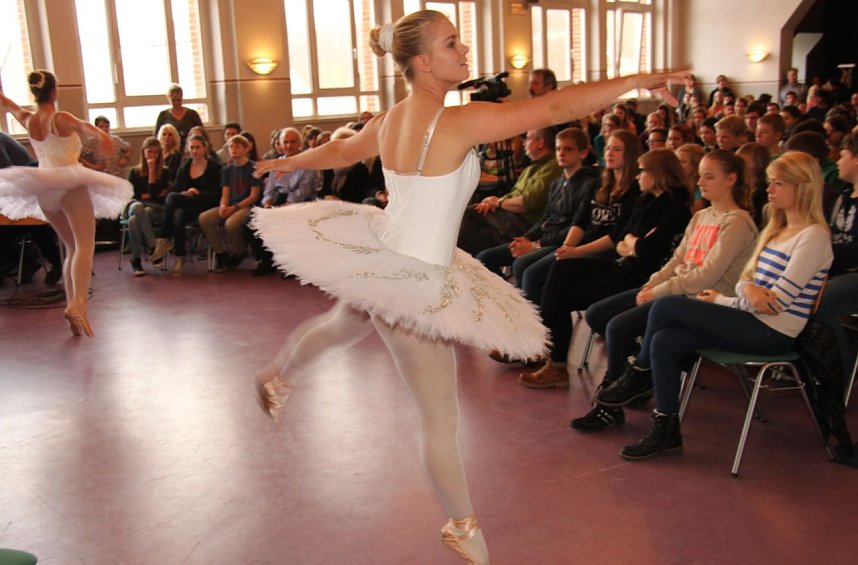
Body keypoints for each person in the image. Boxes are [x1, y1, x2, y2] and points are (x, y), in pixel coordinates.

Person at [250, 10, 683, 564]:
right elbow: (553, 108)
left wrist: (286, 160)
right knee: (439, 417)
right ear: (424, 62)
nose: (464, 50)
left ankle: (277, 376)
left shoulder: (390, 120)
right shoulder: (457, 121)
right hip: (413, 277)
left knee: (344, 323)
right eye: (451, 43)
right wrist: (632, 82)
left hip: (384, 255)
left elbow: (338, 152)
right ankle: (462, 526)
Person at [600, 151, 832, 461]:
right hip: (747, 316)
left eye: (778, 183)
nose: (769, 190)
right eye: (770, 182)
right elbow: (745, 280)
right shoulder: (776, 230)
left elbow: (776, 304)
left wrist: (726, 299)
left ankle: (639, 372)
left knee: (667, 306)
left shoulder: (813, 236)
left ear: (801, 187)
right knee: (664, 340)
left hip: (774, 332)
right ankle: (666, 428)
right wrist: (747, 289)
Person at [572, 150, 758, 433]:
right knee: (598, 314)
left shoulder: (737, 223)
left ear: (731, 180)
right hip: (675, 292)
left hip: (699, 301)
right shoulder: (702, 216)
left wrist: (659, 291)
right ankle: (638, 375)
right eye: (700, 176)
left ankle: (613, 403)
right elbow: (678, 259)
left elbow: (705, 276)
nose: (701, 182)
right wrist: (653, 283)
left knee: (619, 328)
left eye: (710, 177)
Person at [520, 148, 692, 388]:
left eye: (642, 171)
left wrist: (633, 243)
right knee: (561, 269)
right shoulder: (645, 200)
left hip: (642, 274)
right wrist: (633, 243)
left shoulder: (676, 208)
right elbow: (622, 239)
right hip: (624, 263)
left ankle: (551, 357)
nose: (637, 176)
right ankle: (549, 355)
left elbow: (645, 250)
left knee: (560, 295)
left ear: (659, 174)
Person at [0, 70, 132, 336]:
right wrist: (103, 137)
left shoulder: (29, 119)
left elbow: (10, 105)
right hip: (68, 182)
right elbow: (86, 127)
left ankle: (72, 308)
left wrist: (2, 95)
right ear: (54, 91)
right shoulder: (60, 118)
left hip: (43, 187)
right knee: (85, 245)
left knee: (71, 247)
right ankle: (78, 305)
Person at [457, 127, 562, 256]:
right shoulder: (530, 168)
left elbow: (527, 203)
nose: (524, 142)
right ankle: (457, 263)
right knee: (471, 216)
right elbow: (513, 195)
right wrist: (491, 202)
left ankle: (452, 264)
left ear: (540, 143)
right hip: (508, 217)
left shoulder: (553, 167)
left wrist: (497, 202)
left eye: (528, 138)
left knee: (471, 226)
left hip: (522, 224)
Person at [815, 133, 858, 390]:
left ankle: (841, 367)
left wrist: (828, 257)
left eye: (842, 154)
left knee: (816, 299)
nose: (837, 160)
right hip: (841, 271)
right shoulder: (843, 196)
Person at [149, 134, 223, 276]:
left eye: (198, 147)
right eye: (191, 147)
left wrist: (197, 192)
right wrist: (185, 193)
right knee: (178, 214)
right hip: (186, 204)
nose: (194, 150)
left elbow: (215, 193)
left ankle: (165, 238)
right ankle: (179, 257)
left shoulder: (214, 167)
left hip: (205, 205)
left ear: (205, 148)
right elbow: (177, 189)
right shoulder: (185, 167)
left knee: (172, 198)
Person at [199, 134, 262, 272]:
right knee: (205, 218)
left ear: (246, 149)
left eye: (237, 146)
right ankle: (221, 253)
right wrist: (223, 206)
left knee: (231, 224)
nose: (233, 149)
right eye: (230, 147)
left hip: (247, 206)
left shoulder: (253, 168)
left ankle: (240, 251)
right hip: (231, 205)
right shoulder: (227, 170)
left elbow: (253, 196)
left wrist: (234, 208)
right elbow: (225, 193)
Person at [125, 137, 172, 276]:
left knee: (134, 221)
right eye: (149, 152)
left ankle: (136, 260)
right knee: (138, 208)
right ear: (143, 152)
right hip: (135, 205)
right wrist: (145, 195)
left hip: (155, 208)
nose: (152, 155)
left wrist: (152, 171)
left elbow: (156, 195)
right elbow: (130, 193)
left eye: (156, 152)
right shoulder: (135, 171)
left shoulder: (165, 172)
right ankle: (153, 246)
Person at [153, 83, 203, 151]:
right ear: (169, 99)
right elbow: (157, 136)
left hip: (190, 150)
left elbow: (201, 133)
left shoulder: (192, 114)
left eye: (179, 100)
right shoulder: (163, 115)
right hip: (170, 151)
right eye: (173, 100)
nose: (176, 103)